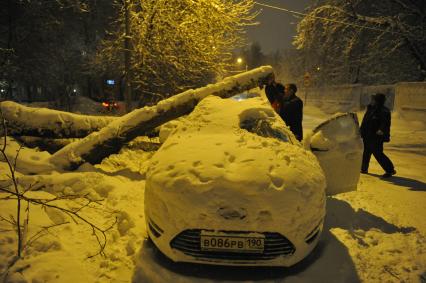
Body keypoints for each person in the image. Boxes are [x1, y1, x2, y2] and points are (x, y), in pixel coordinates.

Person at [360, 93, 396, 178]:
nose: (371, 101)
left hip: (376, 136)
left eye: (374, 99)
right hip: (367, 135)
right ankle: (364, 168)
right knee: (366, 152)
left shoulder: (384, 111)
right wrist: (361, 130)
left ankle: (390, 170)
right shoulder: (371, 109)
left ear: (377, 101)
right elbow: (365, 121)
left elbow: (385, 122)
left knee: (378, 153)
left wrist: (381, 130)